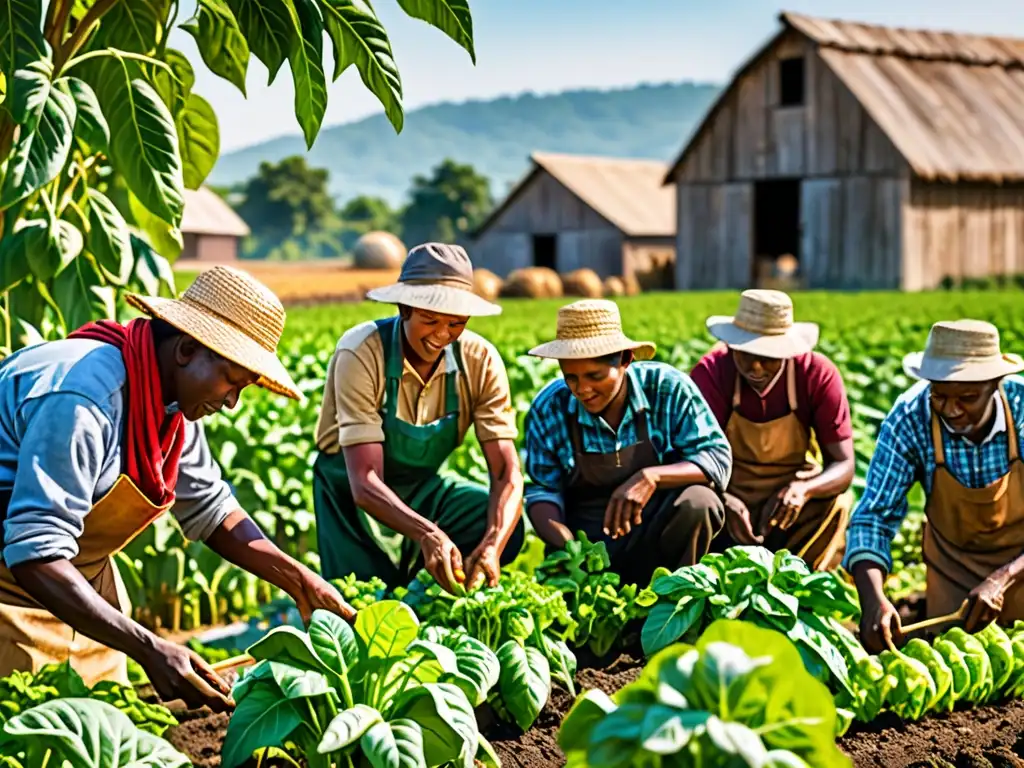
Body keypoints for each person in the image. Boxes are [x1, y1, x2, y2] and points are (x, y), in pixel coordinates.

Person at [0, 266, 355, 711]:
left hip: (82, 593)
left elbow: (211, 510)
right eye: (231, 381)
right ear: (187, 349)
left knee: (100, 736)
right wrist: (151, 648)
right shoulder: (83, 399)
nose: (231, 403)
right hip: (15, 591)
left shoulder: (167, 403)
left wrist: (300, 581)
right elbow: (35, 550)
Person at [313, 243, 524, 594]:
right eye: (431, 320)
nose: (442, 335)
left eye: (456, 323)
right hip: (351, 495)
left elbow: (506, 472)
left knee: (504, 524)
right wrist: (429, 533)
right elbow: (365, 481)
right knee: (363, 604)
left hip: (424, 488)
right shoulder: (362, 351)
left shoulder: (480, 359)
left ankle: (441, 598)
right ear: (404, 308)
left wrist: (492, 544)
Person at [522, 299, 731, 586]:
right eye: (570, 377)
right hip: (589, 537)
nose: (582, 389)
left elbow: (716, 458)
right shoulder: (550, 407)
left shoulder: (667, 388)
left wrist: (651, 477)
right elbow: (542, 492)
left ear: (625, 360)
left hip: (658, 526)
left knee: (700, 502)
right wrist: (570, 547)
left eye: (595, 376)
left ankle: (674, 602)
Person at [847, 319, 1024, 653]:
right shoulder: (910, 418)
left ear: (997, 384)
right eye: (939, 395)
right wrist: (873, 600)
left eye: (968, 397)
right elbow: (872, 518)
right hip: (954, 575)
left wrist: (1003, 578)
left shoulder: (1023, 409)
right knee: (957, 658)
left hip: (1021, 567)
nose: (951, 409)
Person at [691, 289, 855, 571]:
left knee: (838, 501)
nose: (755, 367)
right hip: (727, 488)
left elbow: (843, 463)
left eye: (767, 356)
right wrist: (722, 497)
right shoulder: (713, 373)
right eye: (745, 353)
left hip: (788, 496)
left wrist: (803, 489)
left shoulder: (815, 374)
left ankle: (803, 587)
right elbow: (688, 456)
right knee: (695, 502)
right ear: (731, 345)